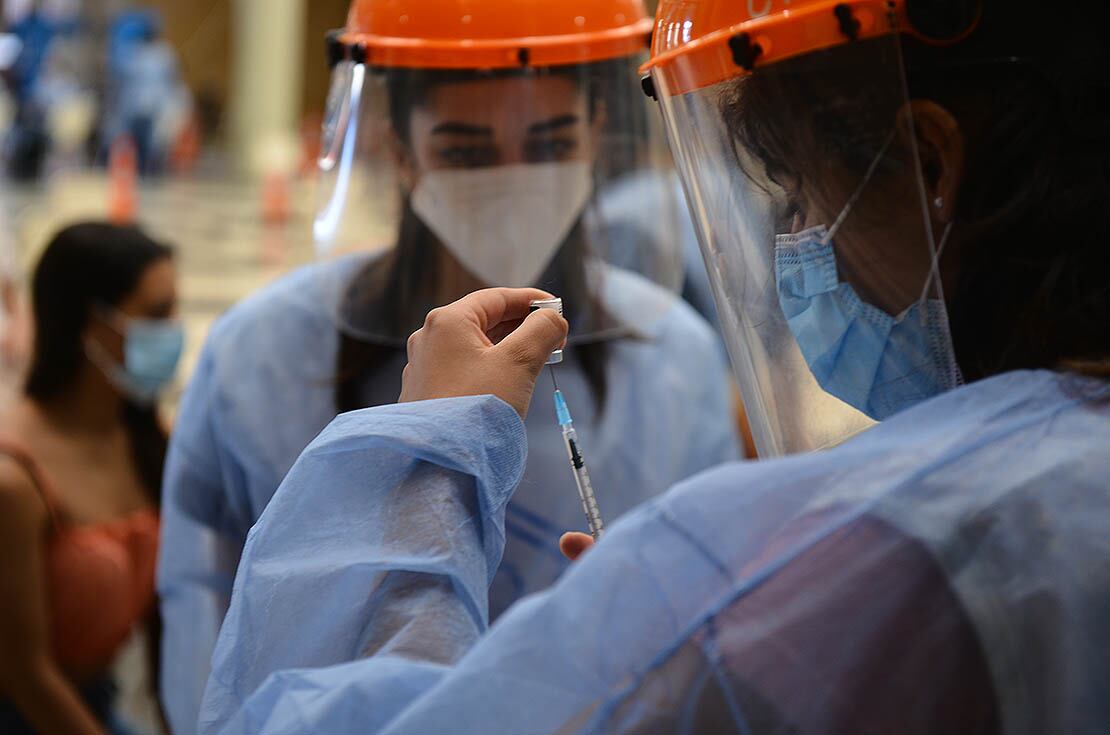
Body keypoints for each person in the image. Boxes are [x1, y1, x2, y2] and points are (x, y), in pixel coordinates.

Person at [197, 0, 1110, 731]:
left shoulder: (857, 537)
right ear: (397, 148)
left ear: (925, 160)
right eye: (469, 150)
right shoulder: (1057, 476)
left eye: (798, 196)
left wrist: (425, 456)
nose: (795, 240)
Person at [156, 0, 740, 731]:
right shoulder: (263, 357)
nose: (514, 179)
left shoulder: (671, 358)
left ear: (597, 130)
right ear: (398, 147)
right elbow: (204, 641)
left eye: (552, 143)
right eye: (466, 152)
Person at [0, 222, 182, 734]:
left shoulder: (147, 441)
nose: (174, 331)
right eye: (156, 315)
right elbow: (25, 673)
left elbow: (163, 627)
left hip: (97, 704)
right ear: (90, 323)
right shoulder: (15, 478)